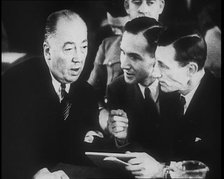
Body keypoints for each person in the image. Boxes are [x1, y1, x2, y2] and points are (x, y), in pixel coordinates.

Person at [2, 9, 100, 179]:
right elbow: (8, 147)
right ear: (48, 51)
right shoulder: (14, 84)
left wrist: (98, 137)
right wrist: (33, 173)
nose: (79, 57)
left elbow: (79, 148)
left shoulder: (86, 93)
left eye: (83, 47)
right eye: (69, 49)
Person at [124, 25, 221, 178]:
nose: (155, 73)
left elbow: (212, 170)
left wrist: (162, 171)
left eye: (163, 66)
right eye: (156, 63)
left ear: (191, 70)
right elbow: (154, 146)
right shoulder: (169, 95)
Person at [88, 0, 165, 130]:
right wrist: (105, 118)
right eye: (137, 2)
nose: (143, 9)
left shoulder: (176, 52)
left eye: (150, 2)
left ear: (161, 6)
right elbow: (90, 93)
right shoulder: (108, 46)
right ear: (127, 6)